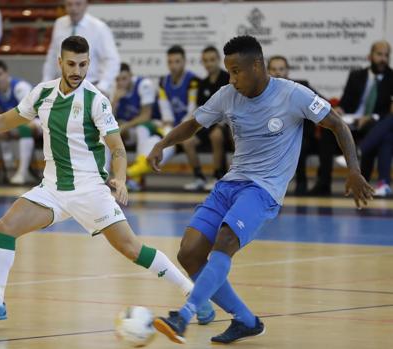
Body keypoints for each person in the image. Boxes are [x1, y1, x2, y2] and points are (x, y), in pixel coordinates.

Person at [0, 36, 215, 327]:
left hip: (89, 190)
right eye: (72, 64)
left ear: (89, 63)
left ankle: (194, 295)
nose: (77, 70)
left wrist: (120, 179)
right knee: (5, 228)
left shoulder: (95, 100)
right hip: (51, 189)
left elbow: (117, 147)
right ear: (60, 62)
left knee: (132, 249)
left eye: (83, 64)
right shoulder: (43, 93)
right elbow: (3, 121)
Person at [148, 35, 373, 345]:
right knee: (189, 253)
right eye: (229, 71)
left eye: (237, 70)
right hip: (230, 183)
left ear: (257, 65)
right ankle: (246, 321)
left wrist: (354, 170)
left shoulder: (293, 94)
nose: (232, 78)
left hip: (263, 189)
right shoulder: (227, 95)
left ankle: (184, 315)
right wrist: (162, 143)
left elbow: (338, 125)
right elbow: (194, 124)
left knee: (224, 241)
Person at [127, 45, 200, 188]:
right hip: (170, 127)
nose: (173, 66)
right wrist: (168, 125)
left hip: (189, 127)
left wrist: (176, 129)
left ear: (184, 62)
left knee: (164, 144)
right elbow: (165, 110)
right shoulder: (163, 82)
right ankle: (135, 177)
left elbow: (192, 110)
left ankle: (129, 174)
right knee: (150, 139)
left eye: (177, 61)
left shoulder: (193, 81)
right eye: (170, 62)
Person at [268, 55, 337, 196]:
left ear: (287, 71)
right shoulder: (263, 93)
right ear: (268, 71)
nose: (278, 72)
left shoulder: (301, 86)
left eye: (281, 69)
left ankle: (319, 184)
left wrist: (335, 109)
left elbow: (321, 101)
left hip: (304, 136)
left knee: (322, 137)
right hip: (274, 136)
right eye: (274, 69)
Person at [337, 40, 393, 197]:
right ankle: (384, 183)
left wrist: (371, 117)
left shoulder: (391, 78)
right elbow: (345, 101)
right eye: (379, 54)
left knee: (385, 132)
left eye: (386, 55)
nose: (383, 59)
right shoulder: (356, 76)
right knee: (386, 136)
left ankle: (360, 151)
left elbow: (388, 113)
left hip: (377, 123)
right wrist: (340, 109)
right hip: (353, 119)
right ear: (370, 56)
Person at [42, 0, 120, 96]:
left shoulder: (99, 28)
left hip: (90, 87)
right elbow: (52, 56)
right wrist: (45, 84)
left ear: (86, 5)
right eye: (69, 4)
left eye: (78, 4)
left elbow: (112, 59)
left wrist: (103, 86)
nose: (73, 8)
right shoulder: (59, 24)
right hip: (62, 88)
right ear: (65, 6)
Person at [182, 46, 230, 191]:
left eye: (212, 60)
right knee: (187, 141)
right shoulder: (202, 84)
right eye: (205, 61)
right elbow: (200, 109)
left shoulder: (227, 79)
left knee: (216, 136)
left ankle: (217, 176)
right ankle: (199, 178)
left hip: (226, 123)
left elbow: (232, 105)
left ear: (219, 60)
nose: (209, 63)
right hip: (208, 124)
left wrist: (222, 124)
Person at [111, 63, 158, 190]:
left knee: (140, 130)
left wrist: (125, 126)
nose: (121, 82)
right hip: (129, 131)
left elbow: (146, 116)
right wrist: (115, 100)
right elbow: (107, 118)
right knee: (108, 134)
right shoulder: (114, 89)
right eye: (118, 79)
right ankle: (101, 178)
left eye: (124, 78)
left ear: (131, 76)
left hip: (150, 129)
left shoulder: (144, 85)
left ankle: (136, 178)